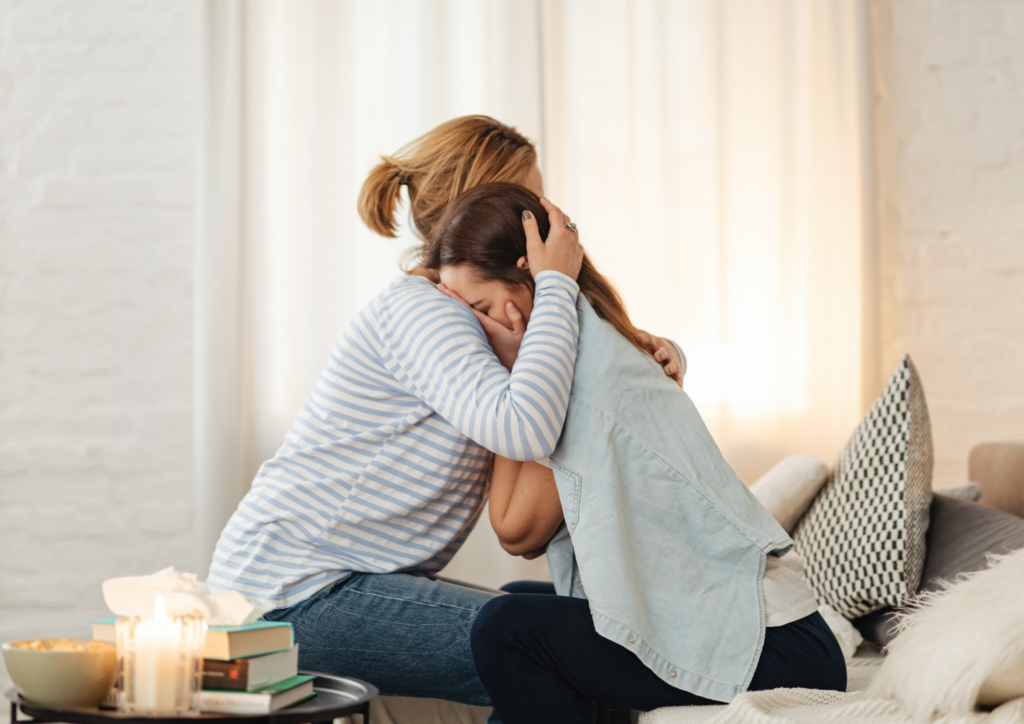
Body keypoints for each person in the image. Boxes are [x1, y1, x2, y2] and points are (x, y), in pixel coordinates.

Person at [207, 115, 683, 707]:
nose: (547, 219)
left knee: (545, 625)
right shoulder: (425, 312)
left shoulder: (477, 316)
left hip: (326, 585)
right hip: (288, 595)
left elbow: (569, 384)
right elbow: (525, 426)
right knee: (543, 649)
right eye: (530, 206)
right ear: (479, 211)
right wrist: (558, 284)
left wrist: (660, 351)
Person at [430, 183, 847, 724]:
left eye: (481, 308)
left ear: (529, 277)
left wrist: (512, 375)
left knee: (506, 628)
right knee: (518, 602)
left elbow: (517, 531)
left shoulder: (585, 372)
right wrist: (518, 375)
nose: (476, 330)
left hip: (777, 648)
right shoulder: (585, 343)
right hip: (758, 635)